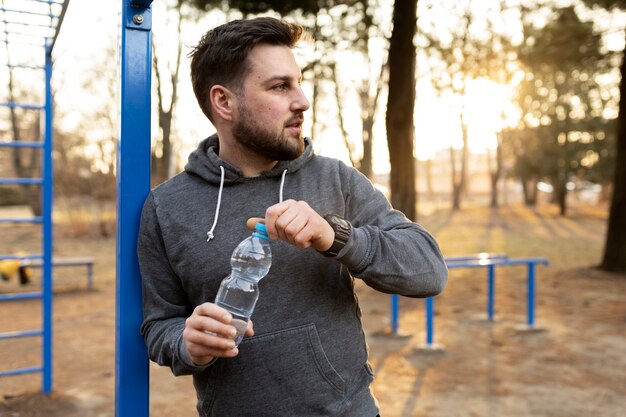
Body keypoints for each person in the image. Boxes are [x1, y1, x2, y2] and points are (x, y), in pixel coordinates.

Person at [138, 16, 448, 417]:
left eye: (298, 83)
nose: (301, 100)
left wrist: (336, 236)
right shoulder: (167, 207)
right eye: (280, 86)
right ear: (224, 102)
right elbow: (159, 324)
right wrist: (187, 343)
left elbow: (429, 270)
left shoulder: (335, 179)